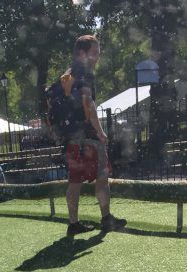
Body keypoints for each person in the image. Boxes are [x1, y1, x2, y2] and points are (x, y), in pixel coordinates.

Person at [58, 35, 127, 236]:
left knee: (74, 182)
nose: (97, 58)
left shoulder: (67, 74)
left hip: (71, 138)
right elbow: (89, 103)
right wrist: (100, 131)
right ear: (82, 53)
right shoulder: (86, 74)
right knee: (102, 177)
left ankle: (73, 223)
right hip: (88, 137)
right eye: (94, 53)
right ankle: (106, 219)